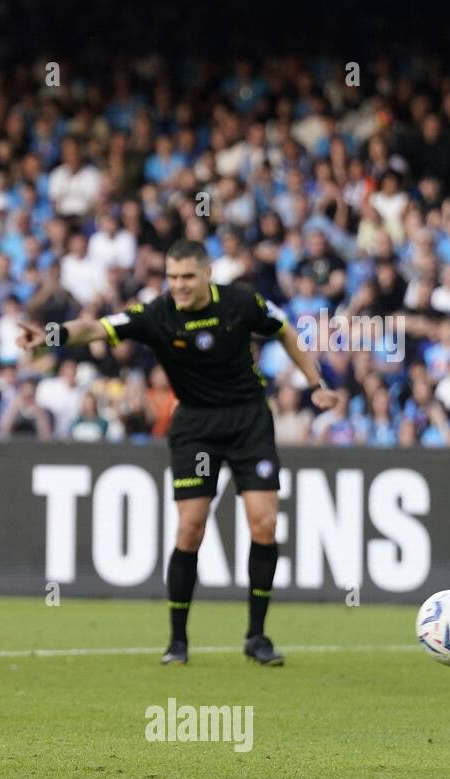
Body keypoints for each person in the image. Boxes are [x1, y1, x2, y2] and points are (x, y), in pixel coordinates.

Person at [21, 238, 338, 666]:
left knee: (264, 523)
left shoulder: (240, 303)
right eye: (172, 277)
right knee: (191, 527)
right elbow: (96, 327)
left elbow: (283, 328)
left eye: (187, 277)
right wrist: (51, 335)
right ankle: (178, 641)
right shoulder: (157, 314)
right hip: (196, 427)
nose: (179, 285)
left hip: (248, 422)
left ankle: (257, 636)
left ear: (207, 274)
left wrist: (315, 384)